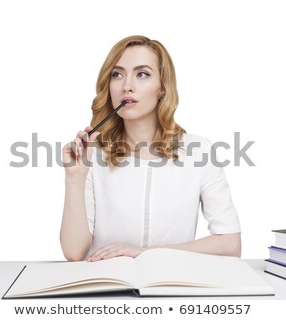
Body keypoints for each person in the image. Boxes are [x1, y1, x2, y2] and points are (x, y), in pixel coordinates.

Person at [60, 35, 241, 262]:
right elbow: (74, 253)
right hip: (108, 285)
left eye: (142, 74)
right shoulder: (92, 155)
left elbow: (230, 244)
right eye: (117, 74)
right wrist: (74, 178)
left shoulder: (199, 151)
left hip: (172, 284)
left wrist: (145, 253)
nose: (127, 86)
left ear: (162, 88)